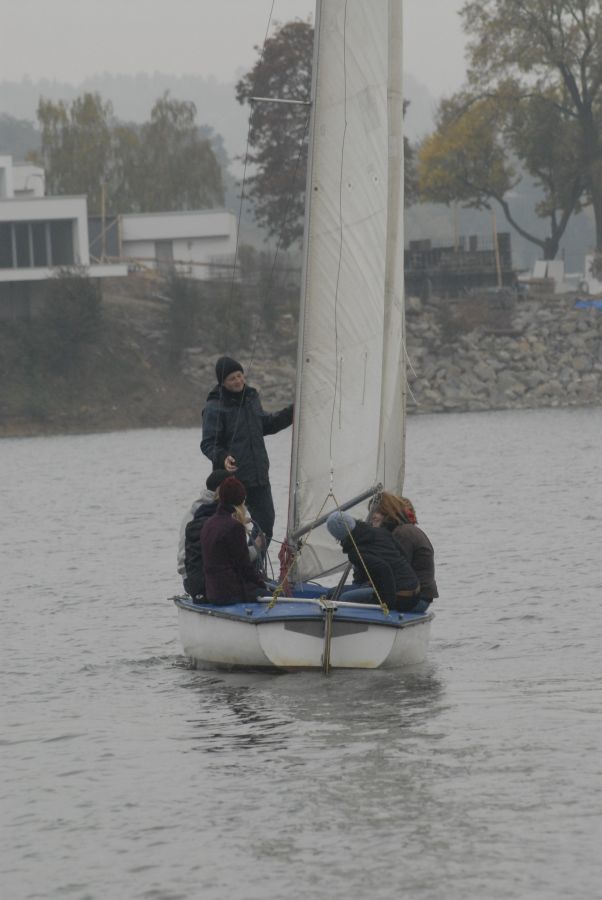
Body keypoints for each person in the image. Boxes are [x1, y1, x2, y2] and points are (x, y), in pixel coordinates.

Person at [200, 356, 293, 545]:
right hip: (232, 480)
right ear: (222, 382)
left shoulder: (251, 397)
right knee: (228, 529)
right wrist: (223, 457)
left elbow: (266, 424)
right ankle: (238, 560)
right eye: (232, 378)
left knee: (265, 526)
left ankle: (252, 562)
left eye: (240, 375)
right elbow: (208, 444)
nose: (238, 381)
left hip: (259, 476)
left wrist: (293, 412)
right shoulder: (214, 407)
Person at [326, 511, 421, 612]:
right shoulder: (381, 531)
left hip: (401, 597)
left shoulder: (355, 553)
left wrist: (387, 604)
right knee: (332, 593)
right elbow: (403, 555)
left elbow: (384, 568)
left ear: (337, 537)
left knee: (343, 599)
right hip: (416, 591)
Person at [200, 476, 268, 604]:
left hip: (212, 592)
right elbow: (244, 566)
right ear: (241, 500)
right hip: (230, 592)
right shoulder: (234, 527)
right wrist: (262, 585)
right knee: (277, 596)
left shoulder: (209, 523)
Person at [370, 492, 438, 611]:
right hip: (417, 595)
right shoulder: (405, 530)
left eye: (378, 512)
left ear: (388, 512)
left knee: (346, 597)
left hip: (416, 598)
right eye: (371, 512)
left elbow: (396, 571)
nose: (372, 516)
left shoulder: (402, 534)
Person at [177, 468, 229, 599]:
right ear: (220, 490)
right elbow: (183, 558)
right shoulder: (194, 516)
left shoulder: (225, 511)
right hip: (197, 581)